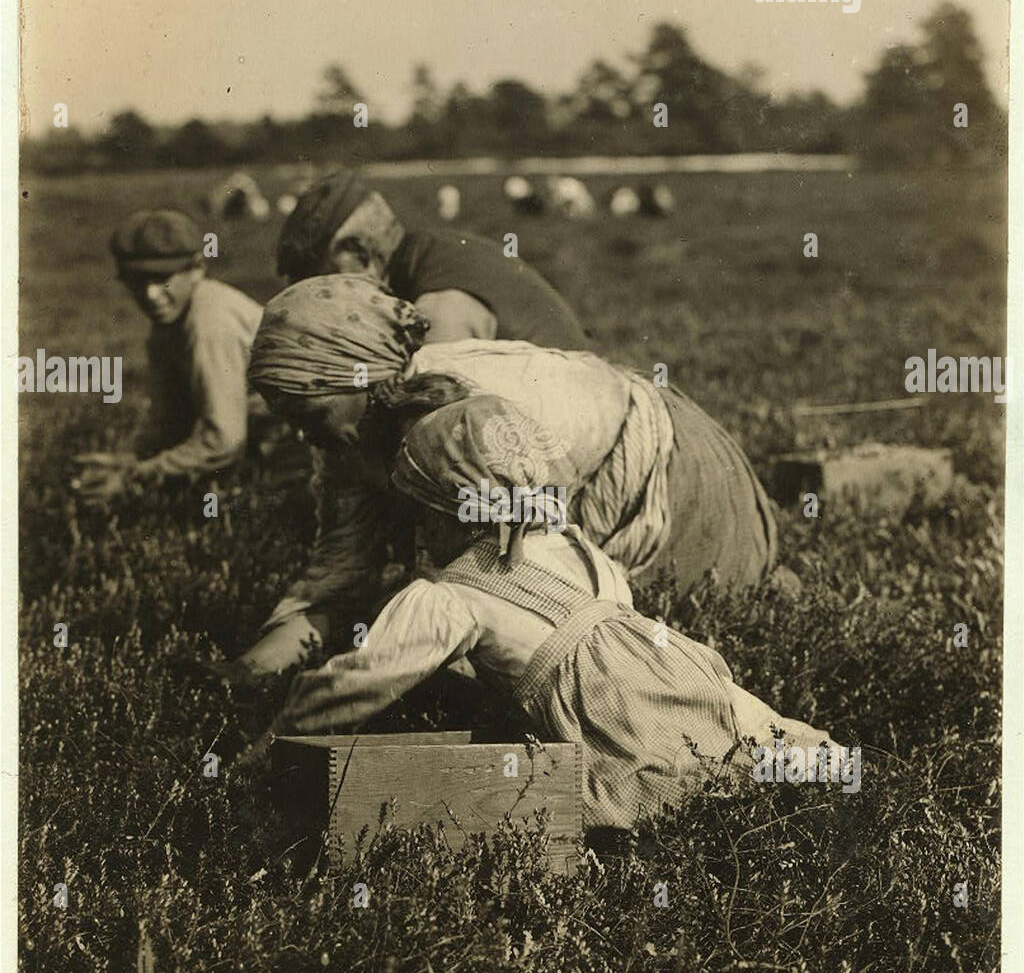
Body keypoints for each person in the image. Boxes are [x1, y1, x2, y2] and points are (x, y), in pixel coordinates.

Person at [278, 396, 838, 832]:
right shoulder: (579, 549)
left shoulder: (448, 597)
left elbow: (359, 681)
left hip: (611, 718)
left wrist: (269, 745)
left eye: (424, 516)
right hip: (683, 676)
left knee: (642, 791)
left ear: (455, 513)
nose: (420, 535)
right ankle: (827, 773)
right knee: (758, 740)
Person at [234, 274, 777, 679]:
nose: (302, 437)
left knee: (590, 636)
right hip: (582, 478)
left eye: (307, 416)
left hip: (677, 476)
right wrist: (254, 668)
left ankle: (767, 575)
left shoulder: (480, 421)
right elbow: (342, 561)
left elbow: (518, 573)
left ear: (366, 384)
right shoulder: (345, 433)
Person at [72, 209, 270, 505]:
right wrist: (127, 460)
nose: (150, 294)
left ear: (197, 269)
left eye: (163, 278)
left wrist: (134, 477)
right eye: (137, 280)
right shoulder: (167, 326)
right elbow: (169, 419)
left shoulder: (209, 323)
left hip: (302, 444)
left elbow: (224, 441)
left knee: (237, 500)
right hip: (261, 435)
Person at [275, 168, 588, 349]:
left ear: (360, 251)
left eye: (328, 281)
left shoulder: (439, 305)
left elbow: (434, 417)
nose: (331, 298)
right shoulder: (432, 253)